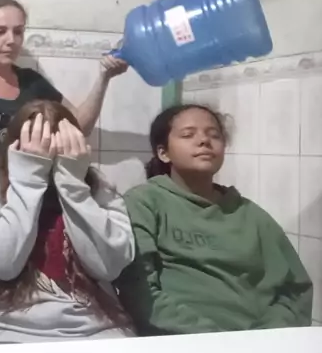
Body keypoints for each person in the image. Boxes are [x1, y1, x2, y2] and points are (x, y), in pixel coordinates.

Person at [115, 104, 313, 334]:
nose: (204, 141)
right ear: (163, 153)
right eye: (188, 135)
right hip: (182, 342)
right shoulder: (144, 202)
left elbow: (295, 290)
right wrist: (217, 339)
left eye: (214, 135)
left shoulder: (250, 214)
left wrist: (263, 336)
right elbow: (139, 291)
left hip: (259, 342)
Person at [0, 100, 135, 344]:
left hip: (94, 328)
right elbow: (3, 263)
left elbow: (109, 266)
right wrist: (28, 178)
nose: (47, 159)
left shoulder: (96, 185)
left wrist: (73, 185)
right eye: (37, 148)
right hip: (1, 326)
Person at [0, 0, 128, 184]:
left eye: (18, 32)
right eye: (0, 31)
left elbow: (79, 126)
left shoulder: (31, 82)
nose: (11, 40)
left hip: (12, 197)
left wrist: (104, 77)